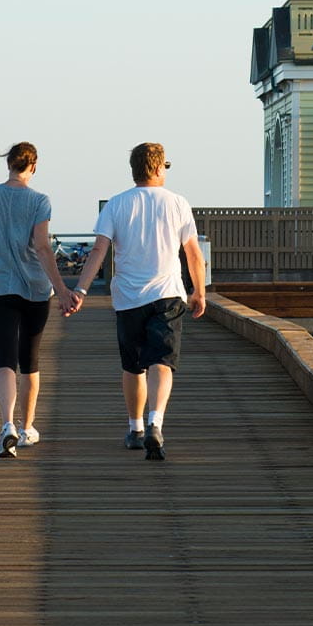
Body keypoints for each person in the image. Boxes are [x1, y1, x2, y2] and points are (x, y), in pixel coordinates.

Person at [64, 142, 205, 461]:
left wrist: (81, 291)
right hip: (168, 294)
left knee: (133, 366)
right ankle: (157, 422)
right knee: (162, 362)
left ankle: (136, 428)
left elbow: (99, 251)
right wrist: (199, 292)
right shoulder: (178, 203)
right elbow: (193, 252)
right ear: (157, 168)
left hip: (128, 298)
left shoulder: (116, 204)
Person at [0, 141, 74, 458]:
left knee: (4, 359)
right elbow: (43, 248)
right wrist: (62, 289)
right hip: (35, 288)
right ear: (34, 166)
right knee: (30, 359)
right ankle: (27, 427)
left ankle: (7, 425)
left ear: (9, 165)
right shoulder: (40, 200)